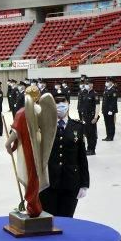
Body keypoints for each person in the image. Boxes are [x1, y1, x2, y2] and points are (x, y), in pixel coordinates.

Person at [38, 87, 89, 217]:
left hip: (71, 182)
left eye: (63, 101)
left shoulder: (78, 126)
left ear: (68, 103)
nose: (60, 105)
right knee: (49, 221)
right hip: (48, 184)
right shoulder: (43, 127)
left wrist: (84, 183)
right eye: (57, 102)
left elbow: (82, 157)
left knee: (67, 220)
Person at [77, 79, 98, 155]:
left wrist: (95, 117)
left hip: (91, 117)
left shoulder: (94, 94)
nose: (86, 85)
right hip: (85, 116)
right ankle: (88, 148)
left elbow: (97, 106)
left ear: (91, 85)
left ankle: (92, 150)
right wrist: (82, 117)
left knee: (92, 134)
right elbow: (82, 105)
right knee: (87, 133)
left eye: (88, 83)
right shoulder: (84, 93)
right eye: (86, 83)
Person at [101, 77, 119, 141]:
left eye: (108, 81)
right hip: (105, 110)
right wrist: (102, 109)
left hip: (110, 110)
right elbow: (104, 100)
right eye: (106, 81)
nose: (107, 82)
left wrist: (111, 110)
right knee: (106, 123)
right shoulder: (106, 89)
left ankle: (111, 136)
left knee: (111, 124)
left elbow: (114, 101)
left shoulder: (114, 90)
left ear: (112, 82)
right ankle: (108, 135)